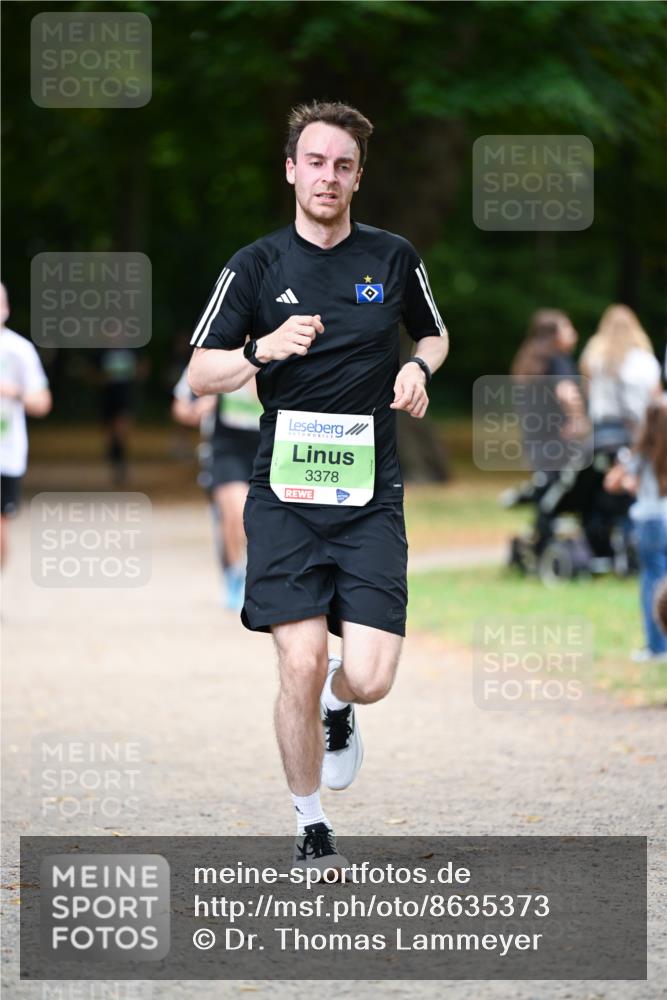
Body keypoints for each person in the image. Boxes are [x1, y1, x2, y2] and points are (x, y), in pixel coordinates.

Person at [188, 100, 449, 873]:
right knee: (296, 661)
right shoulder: (255, 266)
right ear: (292, 169)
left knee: (366, 676)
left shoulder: (393, 258)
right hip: (286, 497)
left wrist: (415, 365)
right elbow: (201, 374)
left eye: (343, 165)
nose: (328, 176)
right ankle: (310, 823)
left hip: (369, 495)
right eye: (316, 162)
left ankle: (341, 707)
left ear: (357, 177)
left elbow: (432, 332)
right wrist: (262, 349)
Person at [172, 369, 261, 610]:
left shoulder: (282, 349)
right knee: (236, 512)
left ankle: (256, 577)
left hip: (267, 448)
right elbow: (180, 405)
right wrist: (197, 410)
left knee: (256, 520)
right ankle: (234, 575)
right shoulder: (217, 353)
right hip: (226, 448)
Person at [604, 396, 667, 662]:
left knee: (653, 582)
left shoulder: (643, 453)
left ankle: (657, 647)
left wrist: (631, 482)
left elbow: (612, 482)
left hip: (650, 521)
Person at [0, 282, 52, 566]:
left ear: (5, 309)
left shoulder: (19, 350)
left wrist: (13, 392)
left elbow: (42, 403)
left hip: (5, 454)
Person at [579, 304, 662, 449]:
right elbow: (656, 400)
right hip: (637, 433)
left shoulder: (593, 357)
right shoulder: (646, 360)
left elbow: (587, 394)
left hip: (602, 430)